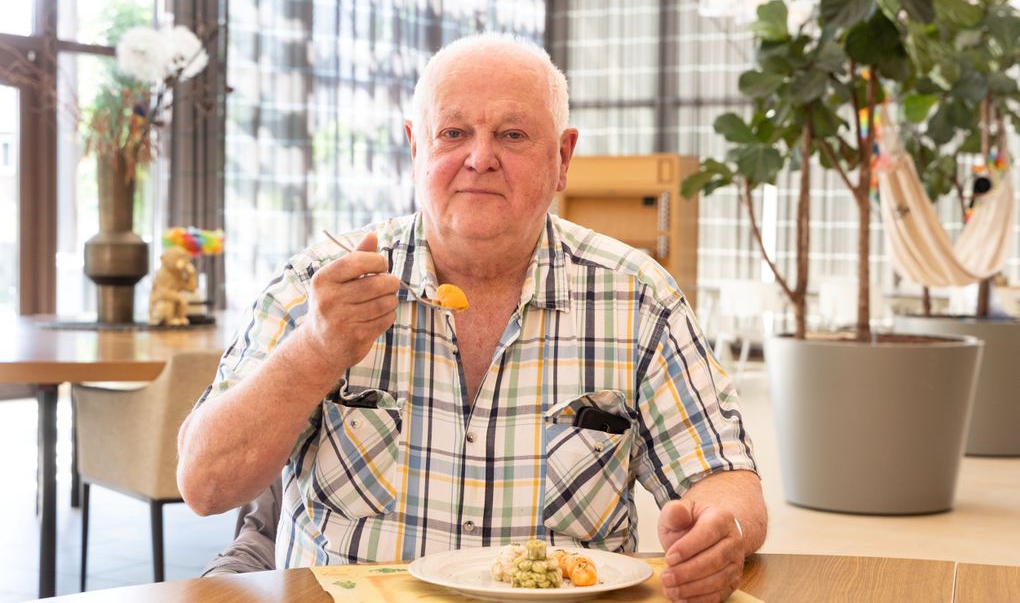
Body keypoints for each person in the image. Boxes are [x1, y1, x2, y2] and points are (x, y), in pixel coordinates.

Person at [177, 32, 767, 602]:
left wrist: (723, 534)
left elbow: (727, 480)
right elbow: (204, 484)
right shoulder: (320, 286)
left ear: (562, 158)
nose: (479, 159)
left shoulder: (638, 300)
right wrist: (316, 350)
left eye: (512, 135)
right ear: (415, 148)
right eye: (453, 133)